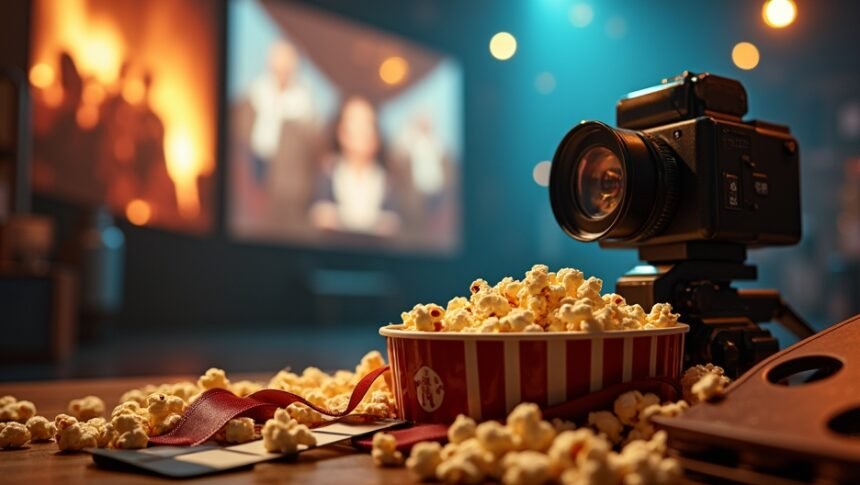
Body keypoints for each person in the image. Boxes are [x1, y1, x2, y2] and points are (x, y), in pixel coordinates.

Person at [309, 96, 400, 236]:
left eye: (367, 122)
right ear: (341, 132)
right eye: (354, 122)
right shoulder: (327, 174)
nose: (361, 130)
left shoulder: (387, 181)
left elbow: (392, 224)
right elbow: (320, 216)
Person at [247, 40, 314, 183]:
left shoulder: (302, 101)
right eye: (278, 59)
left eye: (287, 60)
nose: (282, 66)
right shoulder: (256, 91)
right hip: (254, 160)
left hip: (284, 172)